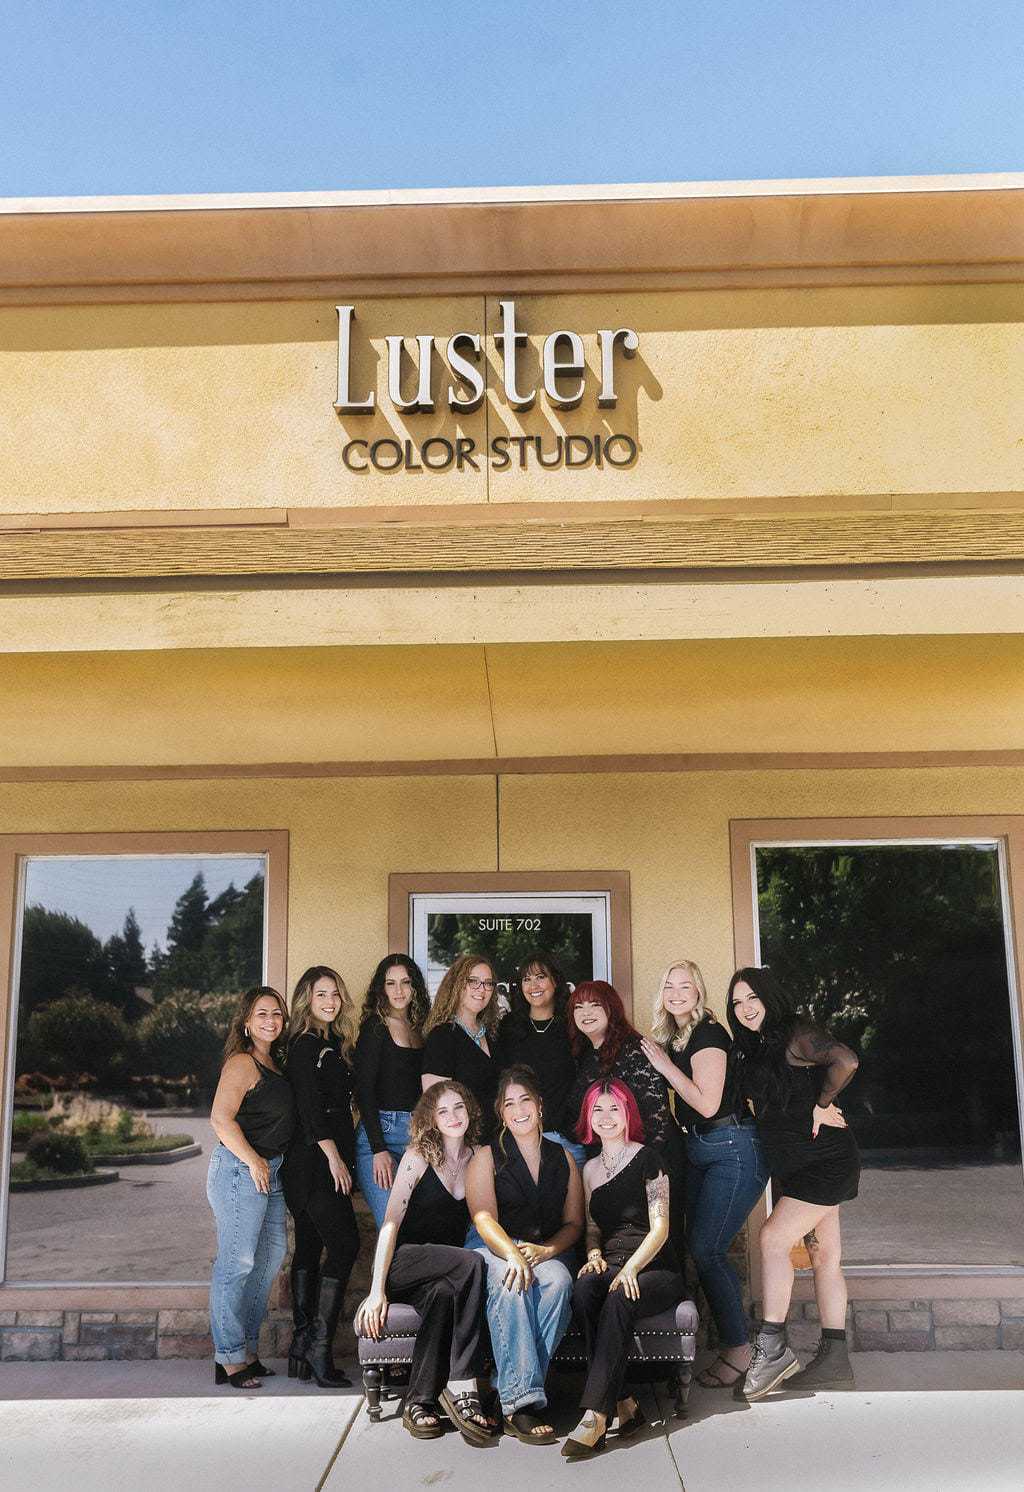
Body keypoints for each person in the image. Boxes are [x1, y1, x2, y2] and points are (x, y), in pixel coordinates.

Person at [727, 966, 860, 1401]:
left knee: (770, 1239)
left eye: (752, 999)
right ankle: (835, 1359)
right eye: (737, 1003)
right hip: (799, 1168)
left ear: (769, 998)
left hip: (826, 1163)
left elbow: (846, 1060)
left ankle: (772, 1349)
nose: (745, 1009)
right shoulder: (756, 1049)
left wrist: (823, 1103)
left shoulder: (794, 1035)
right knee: (826, 1257)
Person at [640, 960, 768, 1389]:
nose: (676, 992)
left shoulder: (709, 1034)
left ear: (699, 992)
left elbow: (708, 1103)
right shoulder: (677, 1037)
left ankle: (741, 1349)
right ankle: (723, 1345)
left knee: (708, 1250)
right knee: (697, 1249)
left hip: (731, 1147)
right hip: (700, 1148)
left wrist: (663, 1066)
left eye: (686, 985)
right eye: (669, 985)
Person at [354, 1081, 497, 1445]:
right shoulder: (418, 1156)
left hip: (441, 1273)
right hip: (404, 1261)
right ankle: (463, 1382)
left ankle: (419, 1404)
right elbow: (390, 1224)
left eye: (459, 1107)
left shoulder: (477, 1158)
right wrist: (375, 1290)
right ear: (431, 1119)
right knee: (472, 1263)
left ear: (470, 1112)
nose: (453, 1116)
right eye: (443, 1111)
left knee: (443, 1296)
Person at [562, 1078, 686, 1460]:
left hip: (654, 1266)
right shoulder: (589, 1169)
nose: (605, 1116)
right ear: (588, 1117)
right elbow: (593, 1227)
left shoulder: (649, 1158)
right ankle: (625, 1402)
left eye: (613, 1108)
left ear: (628, 1112)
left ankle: (596, 1414)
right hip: (612, 1263)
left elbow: (661, 1227)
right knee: (583, 1292)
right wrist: (594, 1254)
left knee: (617, 1296)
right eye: (597, 1109)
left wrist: (630, 1269)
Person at [465, 1065, 584, 1444]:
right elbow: (483, 1218)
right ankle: (522, 1405)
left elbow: (574, 1224)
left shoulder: (562, 1157)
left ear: (540, 1105)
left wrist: (547, 1251)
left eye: (525, 1101)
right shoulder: (487, 1156)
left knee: (560, 1281)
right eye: (509, 1104)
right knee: (511, 1283)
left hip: (543, 1252)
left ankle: (506, 1391)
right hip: (494, 1247)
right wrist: (512, 1255)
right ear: (501, 1113)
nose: (519, 1110)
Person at [207, 985, 294, 1388]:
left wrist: (267, 1164)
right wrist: (254, 1160)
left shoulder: (273, 1063)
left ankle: (246, 1349)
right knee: (236, 1263)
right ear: (246, 1021)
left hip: (269, 1172)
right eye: (262, 1014)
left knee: (268, 1260)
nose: (270, 1021)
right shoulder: (242, 1063)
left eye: (276, 1014)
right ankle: (228, 1357)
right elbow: (221, 1119)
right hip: (242, 1170)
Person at [281, 964, 360, 1387]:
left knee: (310, 1247)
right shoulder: (303, 1045)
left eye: (335, 993)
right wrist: (333, 1156)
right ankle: (318, 1348)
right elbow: (310, 1107)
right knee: (346, 1243)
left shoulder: (330, 1043)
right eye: (321, 994)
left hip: (318, 1160)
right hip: (313, 1163)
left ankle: (299, 1345)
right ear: (306, 1000)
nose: (330, 1001)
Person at [354, 955, 427, 1228]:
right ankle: (382, 1272)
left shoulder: (421, 1028)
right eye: (391, 983)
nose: (399, 991)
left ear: (415, 987)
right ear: (381, 989)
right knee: (390, 1225)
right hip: (379, 1136)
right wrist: (378, 1149)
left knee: (414, 1227)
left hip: (416, 1138)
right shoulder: (376, 1027)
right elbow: (364, 1090)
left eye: (406, 983)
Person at [496, 951, 584, 1165]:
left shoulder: (573, 1026)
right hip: (521, 1139)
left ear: (555, 981)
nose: (533, 985)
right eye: (527, 979)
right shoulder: (509, 1027)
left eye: (540, 977)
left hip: (567, 1139)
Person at [421, 953, 501, 1137]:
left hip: (496, 1143)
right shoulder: (442, 1036)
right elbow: (437, 1104)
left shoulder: (491, 1034)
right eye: (473, 981)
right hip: (464, 1145)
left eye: (488, 983)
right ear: (456, 984)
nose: (481, 989)